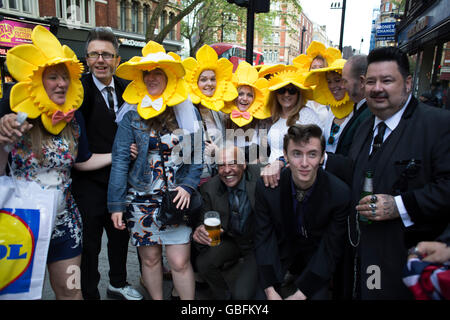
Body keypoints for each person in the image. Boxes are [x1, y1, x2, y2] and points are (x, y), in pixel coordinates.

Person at [0, 26, 112, 299]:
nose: (61, 83)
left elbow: (82, 161)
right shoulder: (13, 112)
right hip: (20, 221)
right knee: (19, 294)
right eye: (53, 77)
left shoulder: (73, 118)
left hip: (64, 221)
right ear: (37, 81)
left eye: (64, 77)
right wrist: (1, 138)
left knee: (72, 292)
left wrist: (118, 155)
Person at [346, 47, 450, 300]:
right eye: (371, 81)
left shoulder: (438, 125)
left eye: (387, 80)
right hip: (364, 257)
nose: (377, 88)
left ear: (408, 84)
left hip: (406, 262)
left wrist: (398, 205)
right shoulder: (365, 126)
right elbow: (352, 170)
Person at [108, 41, 203, 300]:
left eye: (157, 72)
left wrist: (187, 185)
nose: (151, 78)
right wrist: (115, 204)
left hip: (176, 198)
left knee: (179, 261)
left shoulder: (186, 110)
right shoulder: (131, 116)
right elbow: (119, 160)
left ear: (168, 77)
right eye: (146, 73)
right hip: (140, 198)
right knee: (150, 261)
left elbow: (197, 157)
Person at [69, 27, 142, 301]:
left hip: (122, 183)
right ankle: (89, 293)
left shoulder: (128, 89)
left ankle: (118, 283)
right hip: (88, 185)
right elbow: (77, 150)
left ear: (117, 60)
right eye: (94, 54)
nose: (101, 60)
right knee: (89, 246)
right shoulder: (78, 92)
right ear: (86, 59)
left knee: (120, 237)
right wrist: (119, 153)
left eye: (107, 55)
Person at [254, 124, 350, 300]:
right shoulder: (267, 188)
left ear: (322, 157)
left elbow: (330, 247)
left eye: (312, 154)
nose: (304, 163)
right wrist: (270, 290)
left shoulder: (339, 193)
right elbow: (263, 237)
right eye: (297, 154)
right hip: (280, 252)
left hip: (316, 256)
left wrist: (302, 294)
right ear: (285, 155)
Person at [192, 145, 263, 299]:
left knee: (243, 295)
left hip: (257, 243)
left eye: (232, 163)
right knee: (204, 263)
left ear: (244, 164)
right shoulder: (209, 188)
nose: (227, 170)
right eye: (221, 165)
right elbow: (202, 220)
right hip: (232, 239)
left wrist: (279, 164)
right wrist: (199, 231)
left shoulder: (259, 175)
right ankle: (224, 296)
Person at [182, 44, 237, 183]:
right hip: (193, 179)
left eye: (213, 79)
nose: (209, 83)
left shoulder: (218, 110)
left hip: (217, 176)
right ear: (195, 82)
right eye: (204, 79)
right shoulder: (185, 110)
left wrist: (218, 152)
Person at [260, 65, 322, 188]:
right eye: (282, 90)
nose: (287, 94)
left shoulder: (306, 115)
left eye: (292, 90)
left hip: (296, 181)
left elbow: (313, 151)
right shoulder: (274, 117)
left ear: (299, 94)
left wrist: (281, 162)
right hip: (273, 179)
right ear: (276, 94)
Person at [221, 61, 271, 164]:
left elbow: (264, 156)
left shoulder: (261, 122)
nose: (244, 98)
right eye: (241, 94)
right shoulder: (226, 120)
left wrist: (248, 165)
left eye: (249, 95)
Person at [305, 58, 355, 154]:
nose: (332, 86)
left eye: (337, 80)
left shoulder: (357, 111)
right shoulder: (331, 109)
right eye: (329, 82)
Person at [293, 41, 341, 124]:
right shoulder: (302, 93)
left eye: (321, 67)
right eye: (314, 67)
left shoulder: (332, 93)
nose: (317, 70)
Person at [336, 55, 372, 156]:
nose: (342, 86)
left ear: (361, 81)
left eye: (345, 81)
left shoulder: (368, 114)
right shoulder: (359, 108)